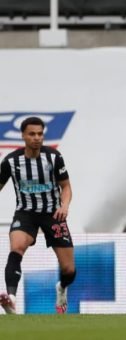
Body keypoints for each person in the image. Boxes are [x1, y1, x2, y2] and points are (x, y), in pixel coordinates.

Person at [0, 117, 76, 314]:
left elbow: (66, 187)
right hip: (26, 213)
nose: (36, 138)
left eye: (40, 134)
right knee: (16, 248)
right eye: (32, 134)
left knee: (69, 270)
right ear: (23, 136)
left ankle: (61, 288)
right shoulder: (11, 161)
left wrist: (65, 206)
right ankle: (11, 299)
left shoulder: (53, 157)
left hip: (53, 214)